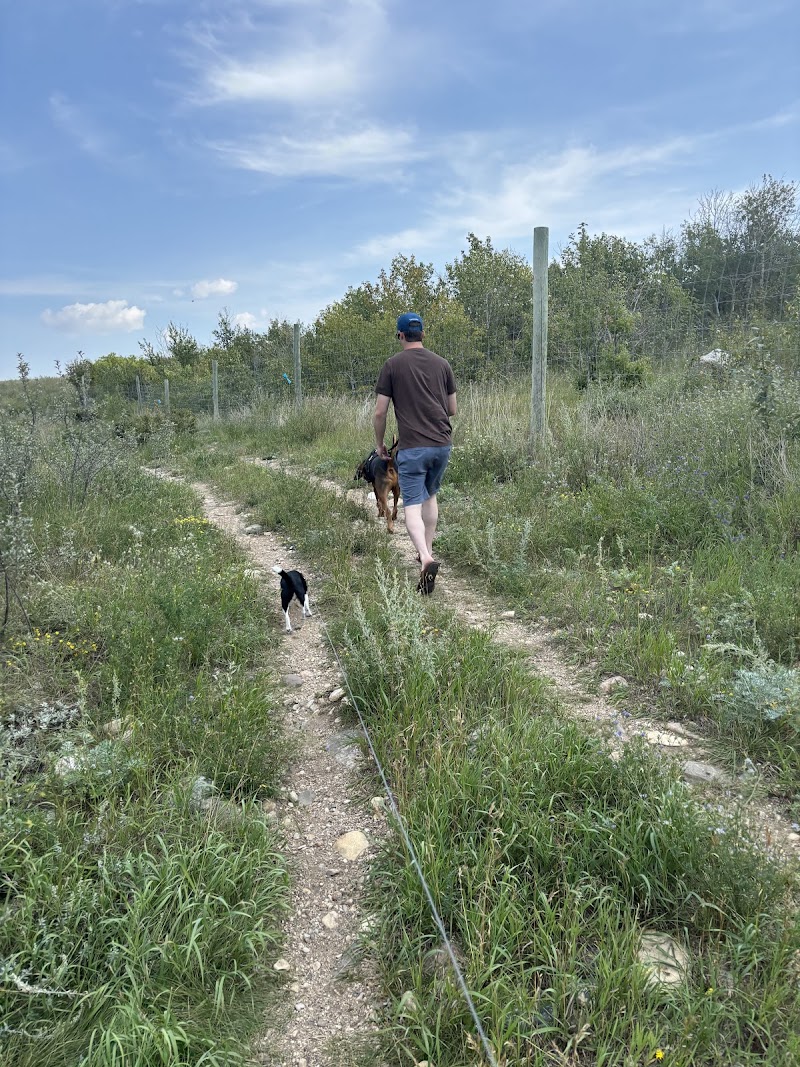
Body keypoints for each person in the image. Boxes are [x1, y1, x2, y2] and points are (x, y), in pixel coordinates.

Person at [373, 312, 457, 595]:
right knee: (430, 496)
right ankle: (426, 552)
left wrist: (380, 444)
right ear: (423, 334)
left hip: (413, 448)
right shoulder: (442, 364)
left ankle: (425, 556)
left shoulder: (392, 365)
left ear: (400, 335)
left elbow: (380, 412)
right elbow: (452, 409)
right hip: (442, 444)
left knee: (411, 505)